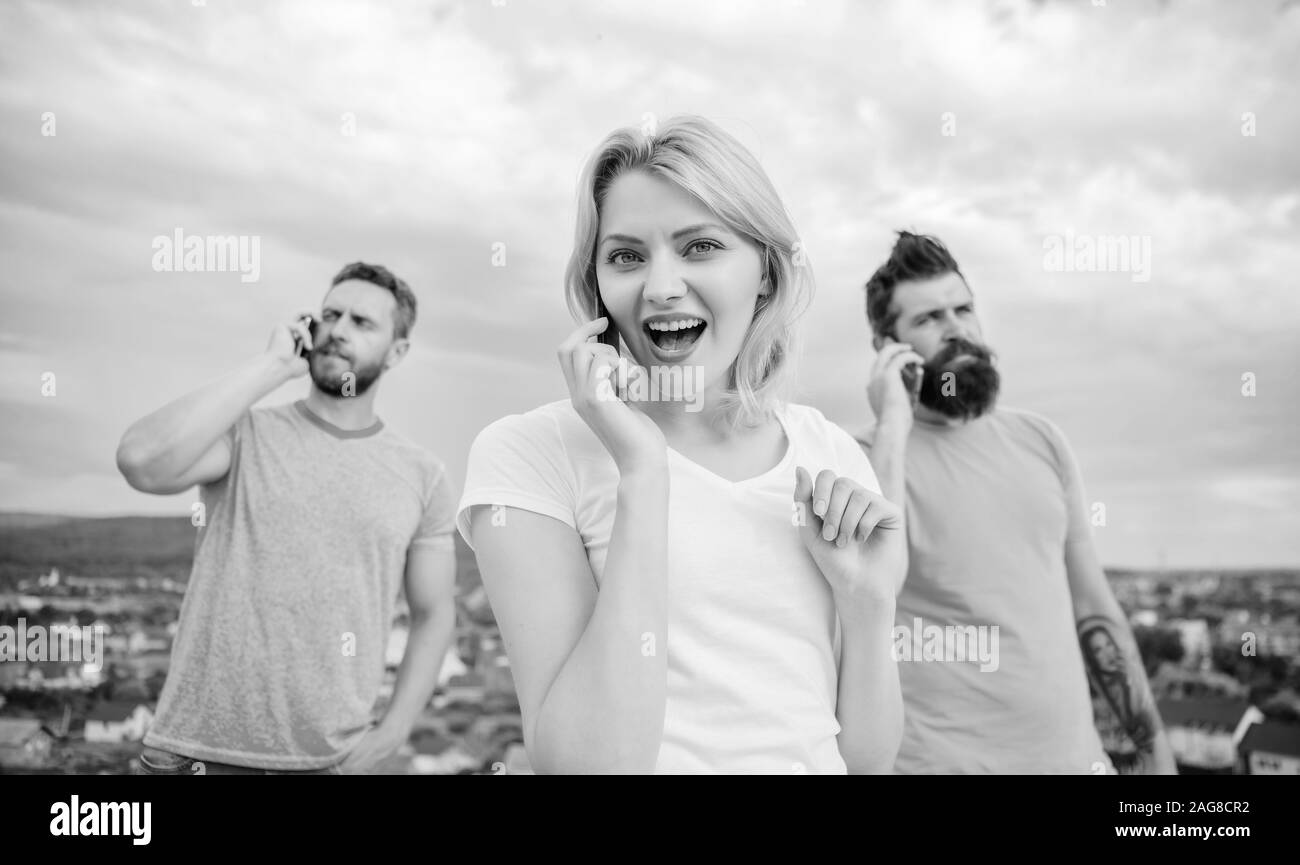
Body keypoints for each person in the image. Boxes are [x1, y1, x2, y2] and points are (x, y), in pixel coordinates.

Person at [458, 116, 905, 774]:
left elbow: (864, 763)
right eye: (627, 255)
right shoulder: (530, 455)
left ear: (766, 275)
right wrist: (644, 470)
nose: (661, 285)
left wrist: (869, 607)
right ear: (599, 286)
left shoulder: (831, 454)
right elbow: (586, 765)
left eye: (699, 247)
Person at [116, 262, 458, 774]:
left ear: (398, 352)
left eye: (362, 323)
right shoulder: (244, 435)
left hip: (328, 763)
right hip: (195, 757)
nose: (338, 330)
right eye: (330, 315)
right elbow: (141, 462)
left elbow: (434, 613)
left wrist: (392, 734)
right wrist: (273, 366)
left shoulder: (422, 475)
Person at [859, 230, 1175, 774]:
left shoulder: (1042, 442)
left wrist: (1154, 753)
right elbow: (869, 591)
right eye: (929, 318)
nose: (957, 328)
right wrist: (893, 425)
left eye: (964, 308)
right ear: (890, 348)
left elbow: (1095, 610)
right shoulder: (864, 458)